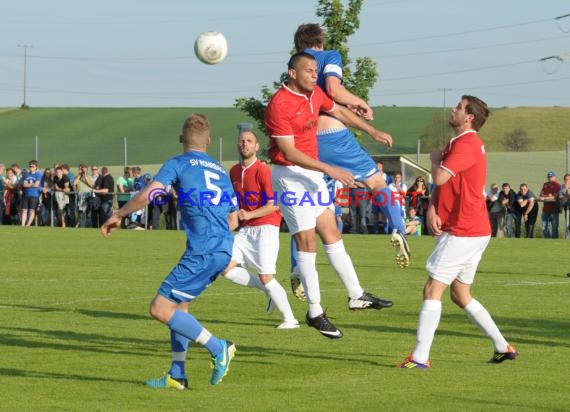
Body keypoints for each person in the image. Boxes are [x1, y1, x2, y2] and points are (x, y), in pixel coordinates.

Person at [101, 113, 237, 389]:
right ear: (209, 141)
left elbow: (150, 194)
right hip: (222, 248)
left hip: (203, 250)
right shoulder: (221, 170)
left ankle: (218, 346)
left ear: (180, 139)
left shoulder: (178, 163)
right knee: (180, 306)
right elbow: (234, 218)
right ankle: (177, 374)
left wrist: (120, 214)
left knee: (160, 308)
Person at [265, 52, 393, 339]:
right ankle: (314, 311)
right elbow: (288, 152)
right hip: (288, 176)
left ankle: (356, 294)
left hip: (310, 173)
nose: (314, 74)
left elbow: (339, 111)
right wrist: (330, 169)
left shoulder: (315, 94)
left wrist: (371, 130)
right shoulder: (279, 104)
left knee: (331, 232)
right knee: (306, 241)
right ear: (292, 74)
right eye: (309, 70)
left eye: (315, 70)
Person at [398, 95, 517, 369]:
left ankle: (419, 357)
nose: (453, 109)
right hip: (473, 229)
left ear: (469, 117)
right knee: (460, 294)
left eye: (459, 107)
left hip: (464, 229)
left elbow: (439, 176)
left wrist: (435, 159)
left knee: (432, 289)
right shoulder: (459, 142)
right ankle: (503, 347)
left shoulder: (467, 144)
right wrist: (432, 208)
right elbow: (445, 184)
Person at [293, 23, 410, 268]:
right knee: (376, 182)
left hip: (305, 142)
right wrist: (362, 103)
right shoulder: (328, 56)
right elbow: (334, 91)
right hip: (333, 136)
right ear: (320, 41)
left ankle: (297, 266)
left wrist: (350, 106)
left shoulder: (295, 69)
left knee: (308, 208)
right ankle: (399, 228)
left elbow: (324, 100)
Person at [222, 126, 299, 329]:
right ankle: (268, 292)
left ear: (256, 146)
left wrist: (250, 214)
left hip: (266, 227)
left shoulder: (263, 170)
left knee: (267, 277)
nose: (244, 144)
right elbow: (235, 204)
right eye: (241, 141)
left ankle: (290, 320)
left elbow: (275, 204)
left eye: (249, 141)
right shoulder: (234, 171)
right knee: (225, 267)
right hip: (245, 231)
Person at [539, 171, 561, 239]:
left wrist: (545, 197)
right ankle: (547, 241)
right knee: (544, 228)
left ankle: (555, 242)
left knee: (554, 229)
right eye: (549, 177)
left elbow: (554, 196)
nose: (550, 178)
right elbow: (541, 195)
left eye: (551, 177)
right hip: (545, 210)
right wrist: (547, 196)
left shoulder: (557, 185)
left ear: (554, 177)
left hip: (554, 210)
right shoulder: (545, 184)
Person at [20, 160, 43, 226]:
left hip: (34, 195)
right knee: (24, 210)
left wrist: (29, 184)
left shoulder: (38, 175)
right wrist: (32, 184)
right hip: (26, 195)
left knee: (32, 210)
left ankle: (28, 225)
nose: (31, 167)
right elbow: (24, 185)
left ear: (36, 167)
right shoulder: (26, 174)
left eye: (32, 166)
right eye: (30, 166)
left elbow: (36, 185)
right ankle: (23, 225)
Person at [559, 173, 570, 239]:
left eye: (569, 179)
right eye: (566, 179)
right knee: (567, 222)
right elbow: (560, 196)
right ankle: (568, 238)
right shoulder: (562, 186)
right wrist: (567, 195)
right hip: (567, 207)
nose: (567, 180)